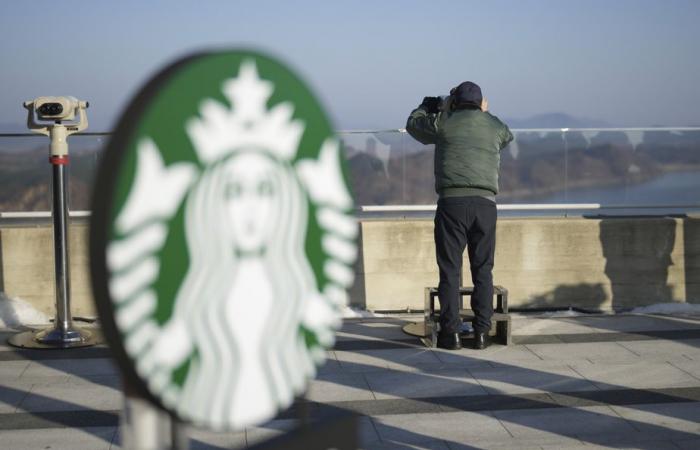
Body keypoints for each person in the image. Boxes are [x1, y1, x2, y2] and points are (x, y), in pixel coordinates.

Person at [406, 81, 513, 350]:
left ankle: (451, 334)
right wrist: (484, 114)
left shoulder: (443, 121)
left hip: (451, 204)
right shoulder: (493, 125)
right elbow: (507, 136)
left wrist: (428, 106)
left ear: (455, 102)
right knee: (483, 270)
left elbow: (413, 125)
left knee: (450, 270)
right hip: (485, 205)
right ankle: (480, 334)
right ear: (480, 102)